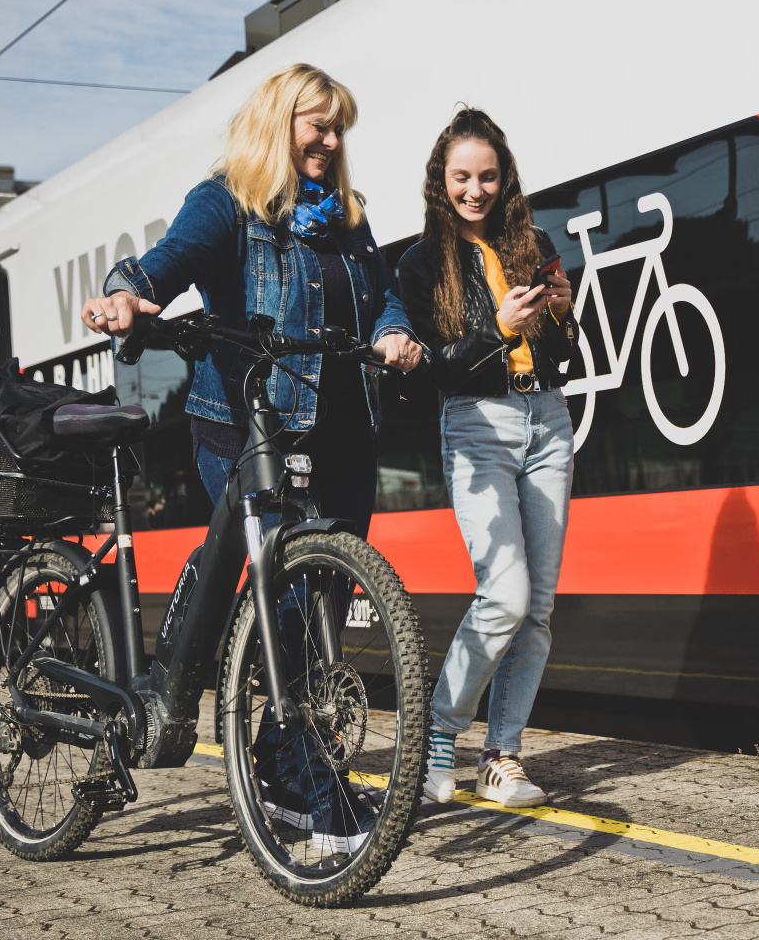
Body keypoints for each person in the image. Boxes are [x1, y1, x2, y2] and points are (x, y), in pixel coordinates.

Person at [80, 62, 422, 851]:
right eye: (318, 123)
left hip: (340, 430)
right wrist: (132, 294)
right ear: (279, 121)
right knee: (291, 599)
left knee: (326, 595)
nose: (332, 140)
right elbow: (167, 262)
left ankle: (290, 751)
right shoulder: (227, 203)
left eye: (339, 127)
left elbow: (380, 292)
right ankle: (289, 768)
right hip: (247, 428)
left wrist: (395, 328)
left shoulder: (348, 216)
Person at [398, 107, 578, 808]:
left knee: (537, 608)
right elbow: (435, 371)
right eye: (463, 177)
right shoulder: (420, 263)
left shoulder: (532, 242)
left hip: (549, 420)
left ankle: (502, 755)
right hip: (477, 425)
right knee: (502, 595)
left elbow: (565, 355)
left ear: (505, 180)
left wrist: (563, 311)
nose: (477, 190)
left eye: (489, 177)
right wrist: (495, 331)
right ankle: (439, 736)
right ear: (442, 182)